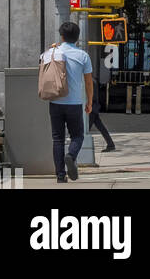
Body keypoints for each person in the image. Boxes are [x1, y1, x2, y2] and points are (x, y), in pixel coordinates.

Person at [45, 20, 93, 184]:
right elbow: (88, 82)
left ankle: (60, 176)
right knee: (77, 136)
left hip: (55, 102)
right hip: (74, 103)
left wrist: (53, 49)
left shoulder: (53, 51)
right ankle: (71, 156)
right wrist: (90, 102)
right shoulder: (83, 55)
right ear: (77, 38)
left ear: (62, 36)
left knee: (57, 139)